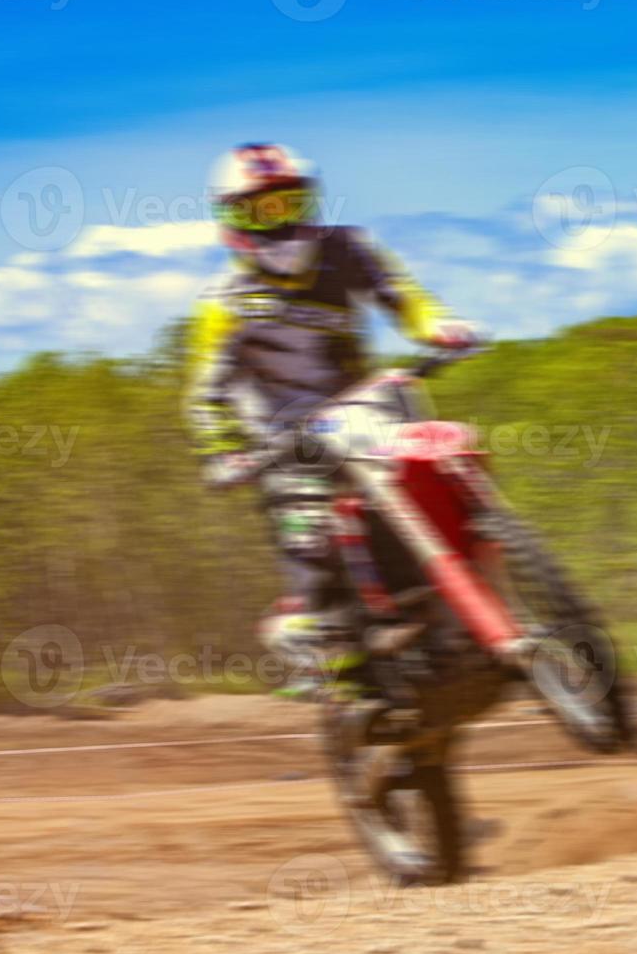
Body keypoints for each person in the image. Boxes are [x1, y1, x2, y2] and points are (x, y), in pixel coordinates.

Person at [184, 142, 478, 700]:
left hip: (361, 409)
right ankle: (313, 629)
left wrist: (439, 329)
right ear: (232, 221)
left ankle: (473, 574)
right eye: (263, 210)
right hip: (283, 440)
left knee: (431, 462)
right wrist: (222, 452)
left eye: (291, 203)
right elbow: (205, 396)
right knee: (309, 524)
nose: (283, 221)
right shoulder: (225, 301)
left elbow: (405, 297)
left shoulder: (347, 248)